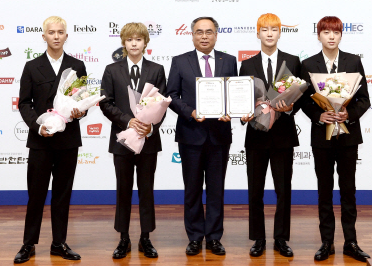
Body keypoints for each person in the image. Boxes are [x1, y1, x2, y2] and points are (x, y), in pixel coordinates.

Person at [14, 16, 86, 264]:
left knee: (62, 195)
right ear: (43, 36)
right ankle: (28, 244)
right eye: (51, 32)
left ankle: (59, 243)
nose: (56, 36)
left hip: (68, 140)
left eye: (60, 32)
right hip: (40, 141)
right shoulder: (32, 66)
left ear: (66, 36)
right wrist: (38, 126)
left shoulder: (77, 65)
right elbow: (24, 103)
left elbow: (81, 101)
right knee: (36, 194)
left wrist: (80, 111)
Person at [299, 16, 371, 263]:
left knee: (348, 190)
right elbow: (303, 101)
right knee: (324, 190)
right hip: (322, 137)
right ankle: (326, 242)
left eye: (336, 32)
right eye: (326, 32)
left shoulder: (353, 61)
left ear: (341, 35)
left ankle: (351, 242)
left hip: (348, 137)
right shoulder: (308, 64)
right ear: (318, 35)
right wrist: (319, 115)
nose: (331, 37)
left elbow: (364, 99)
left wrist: (348, 114)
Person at [165, 17, 237, 256]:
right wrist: (191, 112)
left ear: (216, 35)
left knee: (216, 189)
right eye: (199, 32)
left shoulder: (229, 60)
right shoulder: (179, 61)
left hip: (219, 135)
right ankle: (195, 237)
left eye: (209, 32)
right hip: (191, 134)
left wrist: (231, 110)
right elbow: (171, 95)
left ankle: (214, 237)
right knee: (192, 189)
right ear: (192, 35)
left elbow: (235, 93)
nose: (204, 36)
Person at [99, 23, 167, 259]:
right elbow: (105, 103)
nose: (134, 43)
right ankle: (124, 238)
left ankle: (145, 238)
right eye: (130, 40)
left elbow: (162, 103)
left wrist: (150, 126)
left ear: (145, 42)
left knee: (146, 190)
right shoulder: (111, 70)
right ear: (123, 43)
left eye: (138, 39)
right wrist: (128, 121)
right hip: (122, 139)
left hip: (148, 140)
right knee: (123, 190)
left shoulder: (157, 69)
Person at [238, 13, 302, 258]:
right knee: (255, 191)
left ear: (279, 33)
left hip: (283, 136)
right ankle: (259, 238)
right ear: (258, 33)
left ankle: (281, 238)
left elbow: (301, 96)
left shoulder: (292, 61)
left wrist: (291, 107)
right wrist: (243, 114)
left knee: (283, 190)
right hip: (256, 136)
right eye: (264, 29)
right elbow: (242, 98)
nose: (269, 33)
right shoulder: (247, 64)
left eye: (274, 29)